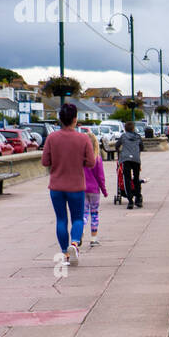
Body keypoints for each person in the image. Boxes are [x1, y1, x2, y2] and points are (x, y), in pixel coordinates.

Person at [41, 102, 96, 265]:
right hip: (76, 186)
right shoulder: (83, 138)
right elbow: (91, 162)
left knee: (61, 220)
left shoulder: (52, 138)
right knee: (78, 218)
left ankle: (65, 252)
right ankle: (74, 243)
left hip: (56, 186)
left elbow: (45, 161)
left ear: (60, 119)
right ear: (74, 118)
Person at [84, 148, 108, 246]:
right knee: (94, 214)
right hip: (94, 190)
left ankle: (80, 230)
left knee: (83, 213)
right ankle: (93, 239)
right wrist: (104, 191)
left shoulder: (80, 159)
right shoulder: (97, 158)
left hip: (82, 189)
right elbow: (100, 176)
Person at [118, 120, 143, 209]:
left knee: (127, 179)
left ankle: (130, 201)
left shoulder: (123, 136)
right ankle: (138, 198)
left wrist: (120, 151)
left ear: (125, 129)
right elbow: (142, 147)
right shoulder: (138, 137)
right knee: (136, 178)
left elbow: (117, 145)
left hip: (126, 159)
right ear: (133, 128)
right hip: (136, 159)